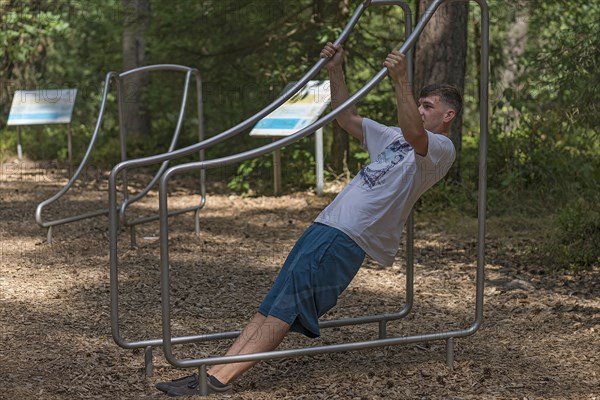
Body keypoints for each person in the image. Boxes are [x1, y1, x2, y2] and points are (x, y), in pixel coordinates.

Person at [156, 42, 461, 397]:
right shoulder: (393, 137)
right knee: (271, 305)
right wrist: (335, 70)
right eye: (420, 104)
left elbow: (415, 134)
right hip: (326, 225)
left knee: (286, 309)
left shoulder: (440, 150)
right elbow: (346, 117)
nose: (422, 110)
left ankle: (219, 381)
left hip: (349, 237)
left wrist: (402, 81)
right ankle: (207, 374)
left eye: (429, 106)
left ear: (448, 116)